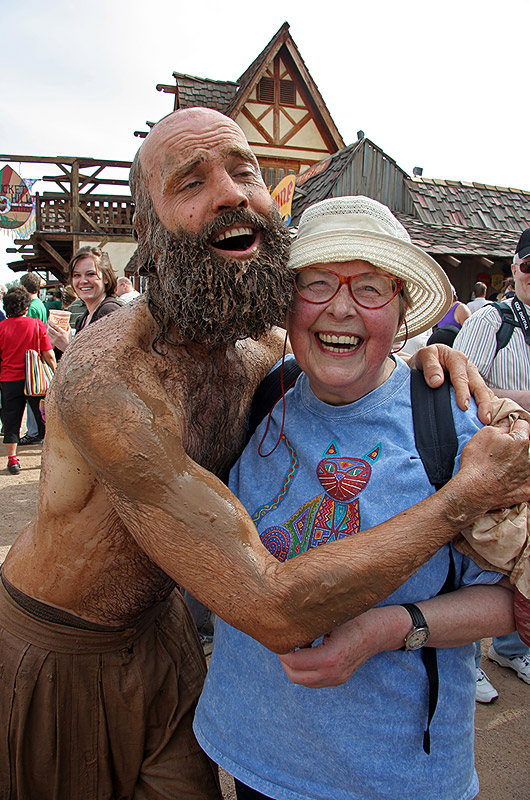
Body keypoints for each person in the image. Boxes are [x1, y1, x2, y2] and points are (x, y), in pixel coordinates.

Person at [1, 109, 529, 800]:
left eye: (244, 169)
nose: (231, 192)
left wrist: (441, 366)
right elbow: (271, 607)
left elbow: (357, 349)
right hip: (64, 650)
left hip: (167, 637)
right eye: (191, 182)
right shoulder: (113, 381)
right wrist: (457, 501)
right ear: (148, 236)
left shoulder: (261, 352)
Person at [194, 196, 529, 800]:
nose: (340, 306)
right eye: (317, 282)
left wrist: (389, 629)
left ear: (400, 309)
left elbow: (519, 600)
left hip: (390, 776)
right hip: (251, 752)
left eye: (370, 287)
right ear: (288, 301)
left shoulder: (456, 425)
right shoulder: (261, 390)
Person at [454, 228, 530, 702]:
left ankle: (506, 648)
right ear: (515, 267)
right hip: (487, 458)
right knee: (472, 557)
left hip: (526, 465)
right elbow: (457, 387)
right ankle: (462, 656)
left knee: (517, 556)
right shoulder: (494, 321)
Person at [0, 286, 56, 474]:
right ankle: (48, 456)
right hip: (35, 380)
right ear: (26, 307)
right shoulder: (36, 325)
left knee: (11, 419)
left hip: (9, 379)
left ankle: (13, 460)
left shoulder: (1, 328)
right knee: (44, 418)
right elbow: (48, 354)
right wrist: (55, 372)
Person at [47, 246, 123, 353]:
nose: (83, 281)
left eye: (90, 274)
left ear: (106, 277)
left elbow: (107, 365)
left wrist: (67, 347)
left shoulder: (109, 312)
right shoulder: (83, 318)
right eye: (77, 275)